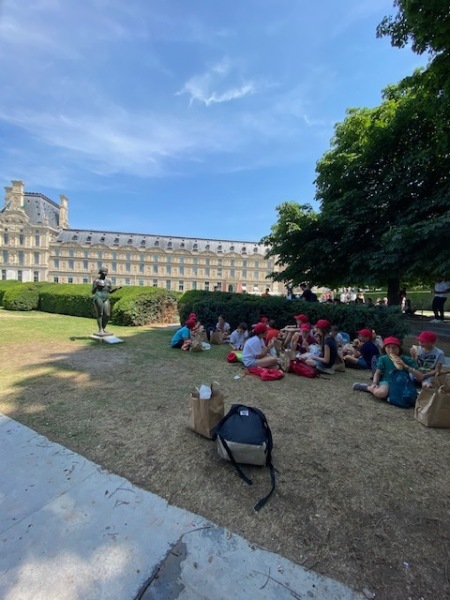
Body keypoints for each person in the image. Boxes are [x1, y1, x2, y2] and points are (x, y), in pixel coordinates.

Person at [352, 336, 417, 397]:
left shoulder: (406, 359)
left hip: (402, 382)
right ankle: (368, 387)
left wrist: (411, 361)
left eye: (394, 347)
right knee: (381, 393)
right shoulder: (383, 359)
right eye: (388, 347)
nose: (391, 350)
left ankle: (389, 395)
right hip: (387, 381)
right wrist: (375, 383)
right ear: (384, 348)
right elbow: (377, 372)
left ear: (399, 349)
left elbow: (416, 372)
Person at [91, 266, 121, 335]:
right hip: (98, 297)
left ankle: (103, 328)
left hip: (106, 298)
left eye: (106, 272)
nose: (105, 273)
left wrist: (117, 288)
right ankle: (100, 329)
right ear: (100, 272)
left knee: (107, 314)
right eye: (104, 272)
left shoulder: (108, 281)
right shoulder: (96, 281)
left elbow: (110, 291)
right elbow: (93, 292)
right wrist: (97, 286)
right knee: (100, 314)